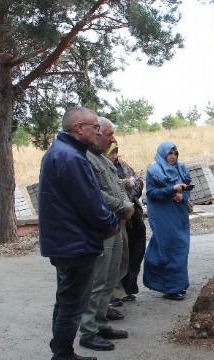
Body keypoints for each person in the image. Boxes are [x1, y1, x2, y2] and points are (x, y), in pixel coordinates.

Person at [39, 106, 119, 360]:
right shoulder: (71, 158)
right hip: (73, 242)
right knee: (72, 304)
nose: (99, 131)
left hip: (64, 241)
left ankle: (61, 350)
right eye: (95, 126)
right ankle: (62, 354)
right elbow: (89, 201)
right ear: (79, 128)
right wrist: (108, 224)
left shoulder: (61, 153)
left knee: (65, 300)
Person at [78, 117, 134, 352]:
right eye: (109, 134)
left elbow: (118, 187)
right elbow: (95, 194)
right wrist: (123, 207)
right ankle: (88, 331)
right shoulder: (85, 160)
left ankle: (101, 323)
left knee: (110, 278)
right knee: (98, 281)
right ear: (97, 133)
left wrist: (126, 205)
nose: (112, 139)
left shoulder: (101, 158)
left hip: (116, 224)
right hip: (102, 227)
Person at [143, 141, 192, 301]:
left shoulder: (181, 168)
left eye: (175, 154)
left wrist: (182, 196)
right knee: (169, 248)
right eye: (170, 154)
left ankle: (177, 285)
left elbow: (188, 189)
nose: (173, 157)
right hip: (162, 214)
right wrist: (171, 190)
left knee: (181, 247)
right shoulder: (154, 170)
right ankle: (171, 288)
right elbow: (151, 193)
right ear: (163, 154)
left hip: (179, 213)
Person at [106, 143, 146, 305]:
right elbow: (112, 187)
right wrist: (127, 184)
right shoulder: (103, 168)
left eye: (116, 152)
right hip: (118, 213)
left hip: (133, 210)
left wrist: (133, 188)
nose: (115, 155)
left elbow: (138, 181)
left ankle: (129, 287)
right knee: (121, 252)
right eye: (112, 152)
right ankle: (114, 293)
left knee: (137, 249)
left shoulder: (123, 165)